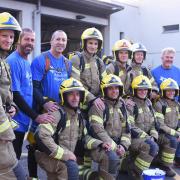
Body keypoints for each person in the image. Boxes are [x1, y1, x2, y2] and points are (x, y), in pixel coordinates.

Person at [35, 78, 116, 180]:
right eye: (71, 94)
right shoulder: (57, 113)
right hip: (48, 156)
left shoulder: (78, 116)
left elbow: (84, 138)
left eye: (78, 94)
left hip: (67, 157)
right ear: (64, 96)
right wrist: (64, 154)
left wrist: (99, 143)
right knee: (71, 168)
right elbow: (41, 135)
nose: (75, 98)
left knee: (110, 156)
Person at [29, 30, 72, 179]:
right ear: (51, 41)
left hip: (60, 113)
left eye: (64, 40)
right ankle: (32, 177)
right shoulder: (41, 60)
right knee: (33, 145)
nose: (61, 42)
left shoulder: (67, 63)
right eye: (58, 39)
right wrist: (45, 103)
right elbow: (33, 87)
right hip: (42, 110)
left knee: (55, 145)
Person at [7, 28, 55, 161]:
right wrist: (36, 116)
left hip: (22, 121)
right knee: (12, 162)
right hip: (14, 122)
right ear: (19, 41)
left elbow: (29, 89)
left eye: (32, 40)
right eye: (26, 39)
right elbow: (15, 94)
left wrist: (44, 102)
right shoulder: (14, 61)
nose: (30, 42)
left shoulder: (26, 62)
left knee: (14, 158)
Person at [88, 74, 131, 178]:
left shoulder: (122, 106)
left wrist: (124, 146)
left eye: (117, 88)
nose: (114, 91)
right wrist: (115, 147)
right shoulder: (98, 106)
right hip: (100, 144)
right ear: (104, 90)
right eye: (110, 88)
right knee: (112, 157)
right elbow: (98, 131)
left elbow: (127, 129)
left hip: (118, 143)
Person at [0, 12, 26, 180]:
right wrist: (7, 133)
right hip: (2, 133)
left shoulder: (3, 61)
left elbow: (6, 95)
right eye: (4, 35)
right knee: (14, 174)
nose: (8, 40)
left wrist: (12, 107)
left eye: (11, 36)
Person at [151, 47, 180, 166]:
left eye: (171, 57)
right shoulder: (154, 72)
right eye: (167, 57)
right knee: (166, 133)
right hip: (160, 109)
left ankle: (177, 158)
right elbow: (151, 92)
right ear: (162, 57)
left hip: (175, 107)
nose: (169, 59)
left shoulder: (178, 71)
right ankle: (159, 157)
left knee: (177, 130)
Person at [127, 75, 159, 180]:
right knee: (152, 147)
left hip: (146, 138)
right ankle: (136, 173)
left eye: (145, 89)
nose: (143, 91)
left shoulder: (149, 103)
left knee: (153, 145)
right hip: (133, 138)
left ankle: (136, 169)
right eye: (140, 89)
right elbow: (130, 126)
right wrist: (146, 137)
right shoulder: (130, 104)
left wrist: (153, 136)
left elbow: (154, 124)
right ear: (135, 90)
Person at [70, 27, 106, 111]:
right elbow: (76, 85)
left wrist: (102, 97)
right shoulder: (76, 59)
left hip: (97, 102)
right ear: (84, 43)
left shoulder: (99, 62)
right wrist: (92, 98)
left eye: (95, 44)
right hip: (81, 104)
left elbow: (105, 83)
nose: (93, 46)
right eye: (90, 43)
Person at [153, 78, 180, 176]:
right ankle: (166, 166)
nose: (171, 92)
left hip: (173, 133)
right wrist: (176, 134)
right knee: (172, 140)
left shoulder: (177, 105)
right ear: (163, 91)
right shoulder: (159, 104)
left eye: (173, 90)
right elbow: (161, 125)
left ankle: (162, 159)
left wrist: (179, 132)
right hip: (161, 133)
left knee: (173, 138)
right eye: (168, 90)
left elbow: (179, 122)